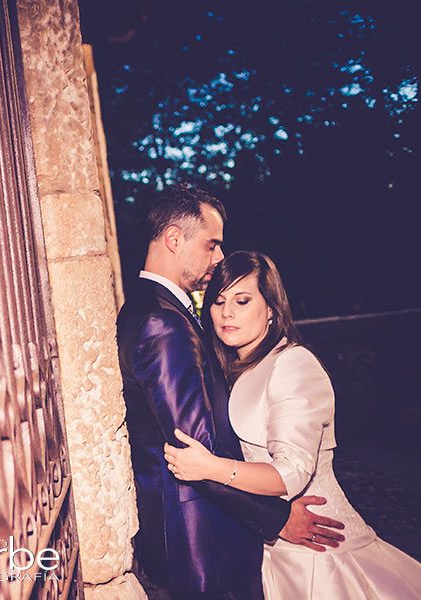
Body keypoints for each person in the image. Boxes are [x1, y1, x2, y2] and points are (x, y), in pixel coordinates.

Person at [116, 184, 345, 600]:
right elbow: (194, 450)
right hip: (205, 543)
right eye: (212, 244)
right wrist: (276, 519)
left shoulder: (155, 310)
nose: (219, 257)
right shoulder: (162, 324)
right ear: (173, 238)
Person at [164, 250, 421, 598]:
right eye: (218, 301)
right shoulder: (233, 370)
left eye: (242, 300)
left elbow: (291, 474)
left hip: (317, 551)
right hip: (270, 546)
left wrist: (210, 467)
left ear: (271, 308)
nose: (227, 313)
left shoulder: (293, 364)